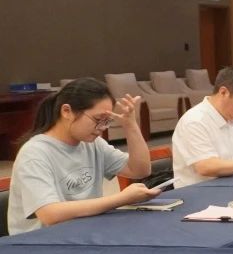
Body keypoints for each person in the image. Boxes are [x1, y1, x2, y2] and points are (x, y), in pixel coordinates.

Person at [7, 78, 159, 234]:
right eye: (98, 120)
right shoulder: (34, 153)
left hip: (84, 232)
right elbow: (50, 215)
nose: (102, 128)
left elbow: (140, 170)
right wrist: (121, 199)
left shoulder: (93, 144)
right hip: (42, 241)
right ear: (67, 111)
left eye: (106, 121)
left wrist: (130, 125)